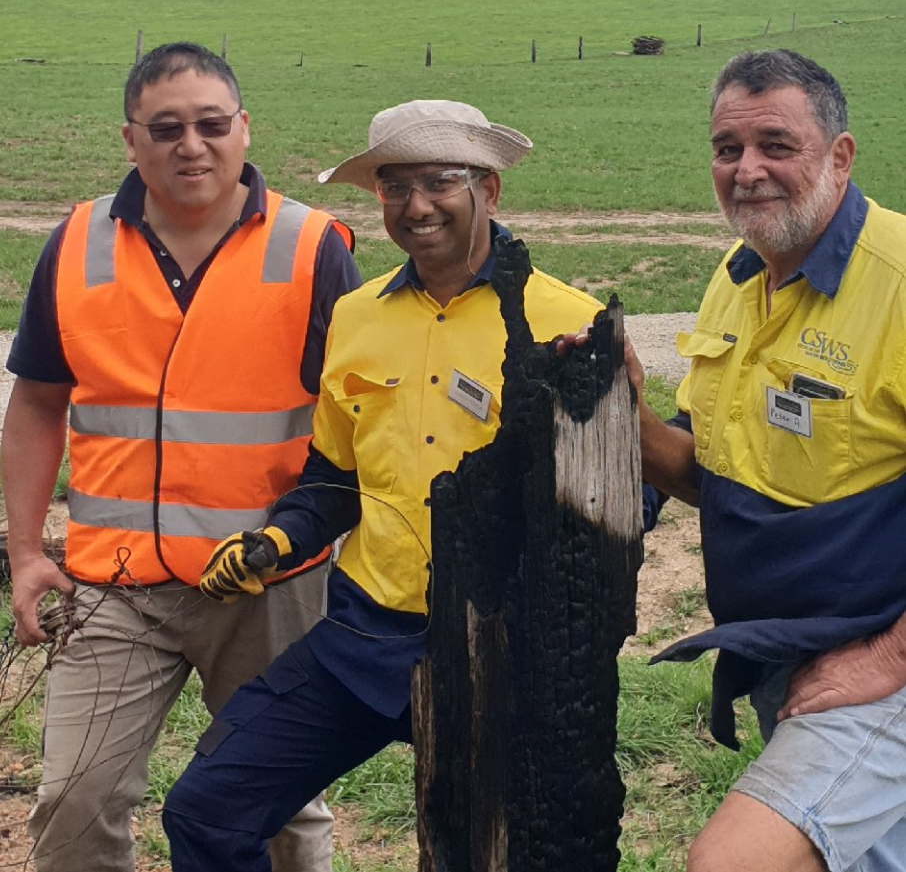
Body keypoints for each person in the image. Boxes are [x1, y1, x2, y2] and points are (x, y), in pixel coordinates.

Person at [161, 98, 606, 870]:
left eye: (441, 181)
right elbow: (335, 477)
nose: (417, 204)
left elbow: (624, 501)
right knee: (207, 809)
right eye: (395, 185)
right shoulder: (357, 315)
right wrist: (277, 538)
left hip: (503, 650)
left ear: (489, 191)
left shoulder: (566, 321)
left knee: (484, 851)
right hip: (364, 637)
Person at [1, 42, 360, 872]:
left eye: (210, 123)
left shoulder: (313, 246)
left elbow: (353, 424)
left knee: (282, 807)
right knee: (74, 802)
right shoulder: (78, 242)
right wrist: (24, 551)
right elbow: (35, 403)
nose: (190, 145)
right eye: (166, 128)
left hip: (269, 583)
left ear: (244, 129)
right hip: (113, 584)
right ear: (131, 141)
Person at [630, 49, 906, 872]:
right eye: (726, 148)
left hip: (876, 656)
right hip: (790, 651)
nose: (747, 171)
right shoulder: (739, 274)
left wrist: (889, 656)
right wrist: (621, 411)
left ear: (840, 155)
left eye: (775, 145)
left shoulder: (897, 283)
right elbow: (712, 475)